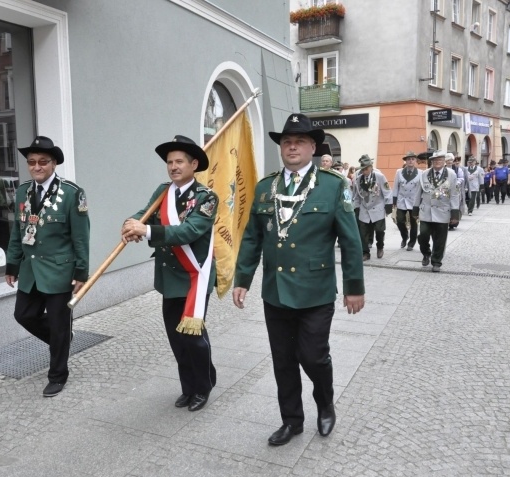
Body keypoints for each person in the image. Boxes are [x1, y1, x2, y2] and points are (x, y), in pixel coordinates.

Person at [232, 113, 365, 446]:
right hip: (275, 291)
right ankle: (292, 420)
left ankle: (325, 404)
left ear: (312, 147)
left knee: (313, 356)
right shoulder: (266, 188)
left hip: (315, 292)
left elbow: (350, 241)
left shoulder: (334, 186)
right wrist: (243, 278)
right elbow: (251, 238)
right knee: (283, 360)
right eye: (286, 142)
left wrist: (354, 288)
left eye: (300, 142)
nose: (292, 147)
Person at [121, 135, 218, 412]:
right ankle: (188, 388)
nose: (173, 167)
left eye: (179, 162)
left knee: (193, 337)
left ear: (193, 164)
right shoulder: (163, 192)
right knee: (176, 337)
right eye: (169, 162)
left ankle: (203, 386)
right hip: (169, 277)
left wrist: (147, 231)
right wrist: (131, 223)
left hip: (193, 277)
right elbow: (145, 214)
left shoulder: (206, 197)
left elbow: (189, 231)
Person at [5, 136, 90, 397]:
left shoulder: (72, 193)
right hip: (30, 271)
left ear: (53, 163)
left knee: (58, 323)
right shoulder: (22, 192)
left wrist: (81, 272)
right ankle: (62, 339)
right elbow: (18, 233)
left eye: (43, 161)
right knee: (23, 315)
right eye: (32, 162)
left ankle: (57, 375)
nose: (36, 166)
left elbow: (80, 236)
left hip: (59, 271)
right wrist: (12, 264)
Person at [414, 150, 460, 273]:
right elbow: (418, 192)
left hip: (443, 211)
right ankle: (426, 253)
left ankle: (436, 262)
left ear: (444, 162)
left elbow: (455, 194)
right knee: (423, 235)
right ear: (432, 162)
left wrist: (455, 213)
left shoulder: (451, 174)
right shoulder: (424, 174)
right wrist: (415, 208)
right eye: (435, 160)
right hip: (426, 211)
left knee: (440, 239)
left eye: (440, 160)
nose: (437, 162)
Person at [353, 154, 392, 260]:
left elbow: (387, 191)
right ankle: (365, 253)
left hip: (377, 207)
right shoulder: (358, 179)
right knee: (363, 233)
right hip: (364, 209)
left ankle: (380, 246)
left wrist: (388, 205)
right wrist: (356, 208)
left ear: (371, 167)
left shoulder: (379, 176)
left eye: (366, 168)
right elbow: (356, 195)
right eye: (362, 169)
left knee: (379, 230)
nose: (364, 171)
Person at [393, 150, 421, 250]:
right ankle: (405, 237)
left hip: (414, 201)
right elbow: (396, 186)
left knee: (414, 223)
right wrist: (394, 200)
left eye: (412, 159)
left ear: (415, 161)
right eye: (408, 159)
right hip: (402, 200)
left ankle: (411, 243)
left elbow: (421, 189)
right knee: (399, 221)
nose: (410, 161)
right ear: (406, 161)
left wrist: (420, 202)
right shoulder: (399, 172)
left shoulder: (420, 173)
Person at [446, 153, 464, 230]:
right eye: (448, 160)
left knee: (454, 205)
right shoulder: (443, 168)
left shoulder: (457, 169)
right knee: (446, 205)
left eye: (451, 160)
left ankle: (453, 222)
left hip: (455, 190)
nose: (449, 161)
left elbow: (461, 178)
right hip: (445, 190)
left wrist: (456, 183)